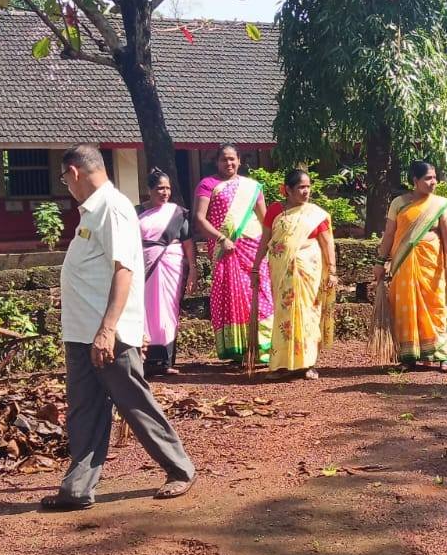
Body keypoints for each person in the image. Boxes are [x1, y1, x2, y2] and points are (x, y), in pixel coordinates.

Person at [42, 146, 195, 511]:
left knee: (134, 402)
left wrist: (108, 328)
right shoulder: (92, 211)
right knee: (84, 410)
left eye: (65, 179)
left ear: (74, 172)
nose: (67, 186)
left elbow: (124, 269)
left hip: (106, 333)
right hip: (81, 331)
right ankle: (78, 488)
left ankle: (180, 467)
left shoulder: (112, 207)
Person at [374, 160, 447, 372]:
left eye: (435, 178)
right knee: (405, 307)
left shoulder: (441, 205)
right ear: (415, 180)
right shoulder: (399, 203)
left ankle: (442, 355)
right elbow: (389, 234)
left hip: (432, 264)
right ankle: (408, 356)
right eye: (428, 178)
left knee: (436, 305)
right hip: (403, 263)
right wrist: (380, 261)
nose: (433, 182)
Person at [255, 168, 337, 379]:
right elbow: (265, 239)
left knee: (308, 313)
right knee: (284, 315)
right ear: (288, 190)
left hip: (308, 268)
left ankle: (307, 364)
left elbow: (327, 243)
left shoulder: (316, 214)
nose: (306, 191)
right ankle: (281, 365)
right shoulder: (275, 211)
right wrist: (256, 266)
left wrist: (332, 271)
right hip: (281, 270)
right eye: (301, 187)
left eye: (308, 187)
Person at [193, 145, 272, 365]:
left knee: (260, 292)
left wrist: (271, 245)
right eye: (224, 159)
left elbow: (265, 220)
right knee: (232, 295)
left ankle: (264, 348)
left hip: (253, 248)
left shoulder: (252, 187)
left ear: (239, 161)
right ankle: (240, 349)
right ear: (216, 162)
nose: (229, 163)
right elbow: (199, 218)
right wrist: (221, 239)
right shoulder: (208, 184)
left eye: (232, 159)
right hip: (225, 249)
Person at [137, 168, 194, 378]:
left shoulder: (177, 213)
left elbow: (188, 242)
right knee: (145, 311)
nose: (165, 192)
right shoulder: (136, 212)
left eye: (168, 188)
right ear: (149, 190)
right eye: (160, 188)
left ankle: (166, 361)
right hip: (144, 266)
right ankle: (144, 360)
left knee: (168, 311)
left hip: (172, 265)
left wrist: (193, 269)